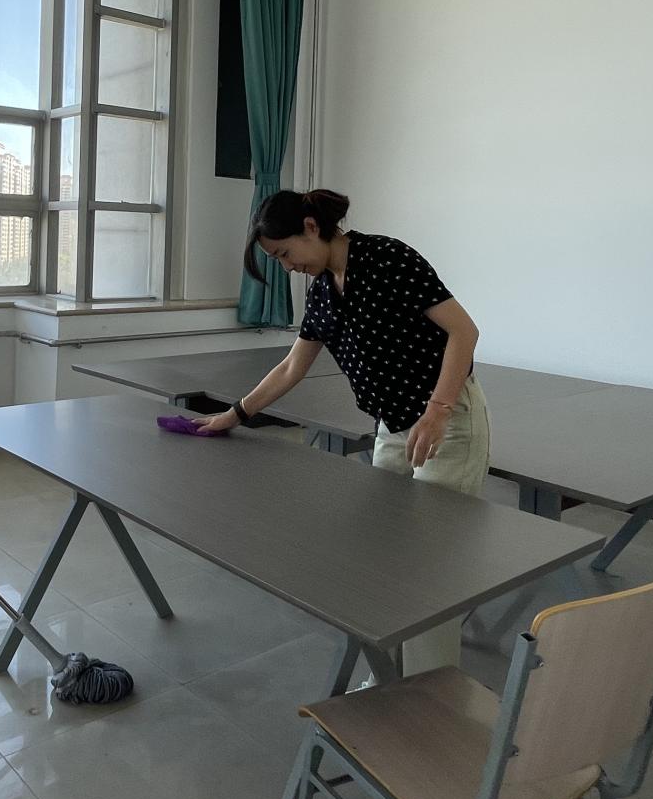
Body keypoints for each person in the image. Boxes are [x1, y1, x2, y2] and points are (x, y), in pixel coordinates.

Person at [194, 188, 489, 674]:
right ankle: (387, 676)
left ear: (311, 227)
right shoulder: (322, 291)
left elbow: (464, 331)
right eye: (277, 260)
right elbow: (292, 366)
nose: (287, 267)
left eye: (284, 253)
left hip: (447, 422)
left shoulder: (388, 258)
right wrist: (235, 414)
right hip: (393, 425)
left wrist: (438, 410)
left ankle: (429, 689)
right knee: (384, 554)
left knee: (431, 568)